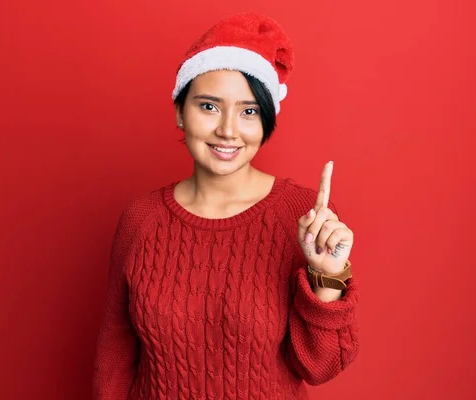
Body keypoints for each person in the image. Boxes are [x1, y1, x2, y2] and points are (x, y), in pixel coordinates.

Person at [93, 12, 359, 400]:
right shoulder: (141, 219)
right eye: (209, 106)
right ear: (179, 112)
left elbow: (320, 367)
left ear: (267, 121)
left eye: (249, 111)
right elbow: (113, 357)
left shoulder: (305, 217)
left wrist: (327, 278)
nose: (228, 130)